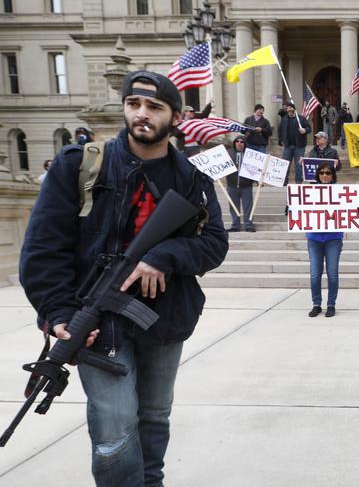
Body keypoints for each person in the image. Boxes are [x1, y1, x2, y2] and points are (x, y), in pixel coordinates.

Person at [19, 70, 229, 487]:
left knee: (154, 416)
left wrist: (162, 256)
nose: (142, 114)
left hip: (164, 320)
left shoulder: (191, 179)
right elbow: (43, 249)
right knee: (114, 430)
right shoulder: (80, 166)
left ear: (176, 115)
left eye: (155, 107)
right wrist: (58, 311)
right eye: (134, 104)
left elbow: (214, 245)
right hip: (97, 323)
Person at [305, 161, 343, 318]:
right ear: (317, 175)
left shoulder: (340, 191)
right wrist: (291, 208)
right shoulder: (309, 191)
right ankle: (316, 304)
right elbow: (301, 209)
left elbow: (347, 211)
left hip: (333, 237)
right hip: (314, 237)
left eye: (328, 173)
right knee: (315, 273)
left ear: (333, 175)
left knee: (332, 273)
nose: (325, 176)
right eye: (322, 173)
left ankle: (331, 304)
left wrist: (356, 209)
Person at [226, 135, 256, 232]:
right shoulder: (228, 153)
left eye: (242, 142)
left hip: (246, 186)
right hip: (232, 185)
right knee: (233, 206)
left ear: (245, 144)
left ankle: (248, 225)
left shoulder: (250, 155)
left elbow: (256, 169)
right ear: (234, 143)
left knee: (248, 207)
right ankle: (235, 225)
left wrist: (258, 180)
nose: (239, 143)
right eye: (237, 141)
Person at [278, 102, 311, 184]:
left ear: (294, 110)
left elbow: (309, 128)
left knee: (299, 165)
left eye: (291, 108)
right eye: (288, 109)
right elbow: (280, 130)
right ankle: (284, 182)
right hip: (288, 146)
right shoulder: (284, 119)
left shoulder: (301, 118)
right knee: (285, 165)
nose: (289, 110)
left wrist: (305, 130)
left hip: (299, 146)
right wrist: (281, 140)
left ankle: (298, 182)